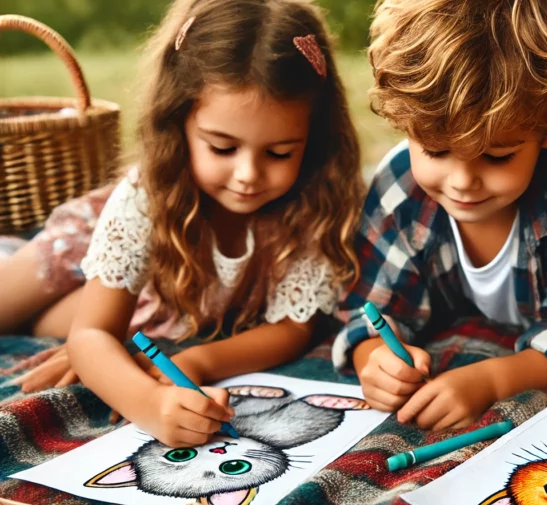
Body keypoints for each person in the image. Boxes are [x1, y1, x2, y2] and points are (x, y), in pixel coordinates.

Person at [0, 0, 364, 448]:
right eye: (222, 148)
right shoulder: (146, 194)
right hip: (89, 241)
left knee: (78, 330)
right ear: (178, 124)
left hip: (159, 302)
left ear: (314, 139)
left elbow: (292, 328)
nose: (249, 174)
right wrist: (147, 403)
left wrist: (196, 362)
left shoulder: (313, 202)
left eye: (279, 153)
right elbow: (92, 334)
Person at [335, 0, 547, 430]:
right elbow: (370, 309)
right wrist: (374, 357)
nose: (462, 182)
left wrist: (492, 380)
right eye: (437, 150)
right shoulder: (399, 186)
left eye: (496, 157)